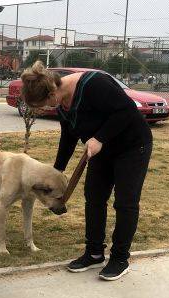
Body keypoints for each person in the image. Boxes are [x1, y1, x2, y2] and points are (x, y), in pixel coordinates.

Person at [20, 61, 153, 281]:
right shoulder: (62, 102)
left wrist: (100, 138)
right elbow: (69, 135)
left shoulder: (95, 85)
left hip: (132, 147)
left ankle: (120, 258)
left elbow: (127, 111)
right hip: (100, 151)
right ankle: (94, 252)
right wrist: (57, 169)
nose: (45, 108)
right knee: (94, 198)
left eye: (44, 104)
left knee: (125, 202)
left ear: (52, 91)